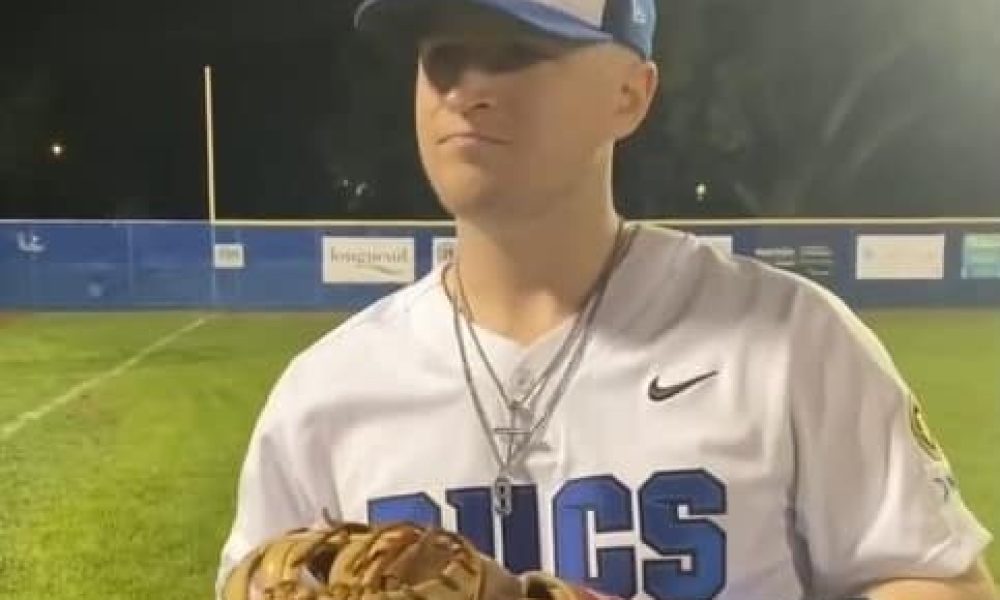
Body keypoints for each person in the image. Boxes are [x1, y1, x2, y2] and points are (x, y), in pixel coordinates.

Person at [216, 0, 996, 598]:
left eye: (518, 53)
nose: (466, 92)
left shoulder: (791, 342)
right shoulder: (325, 394)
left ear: (630, 92)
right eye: (442, 58)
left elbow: (939, 579)